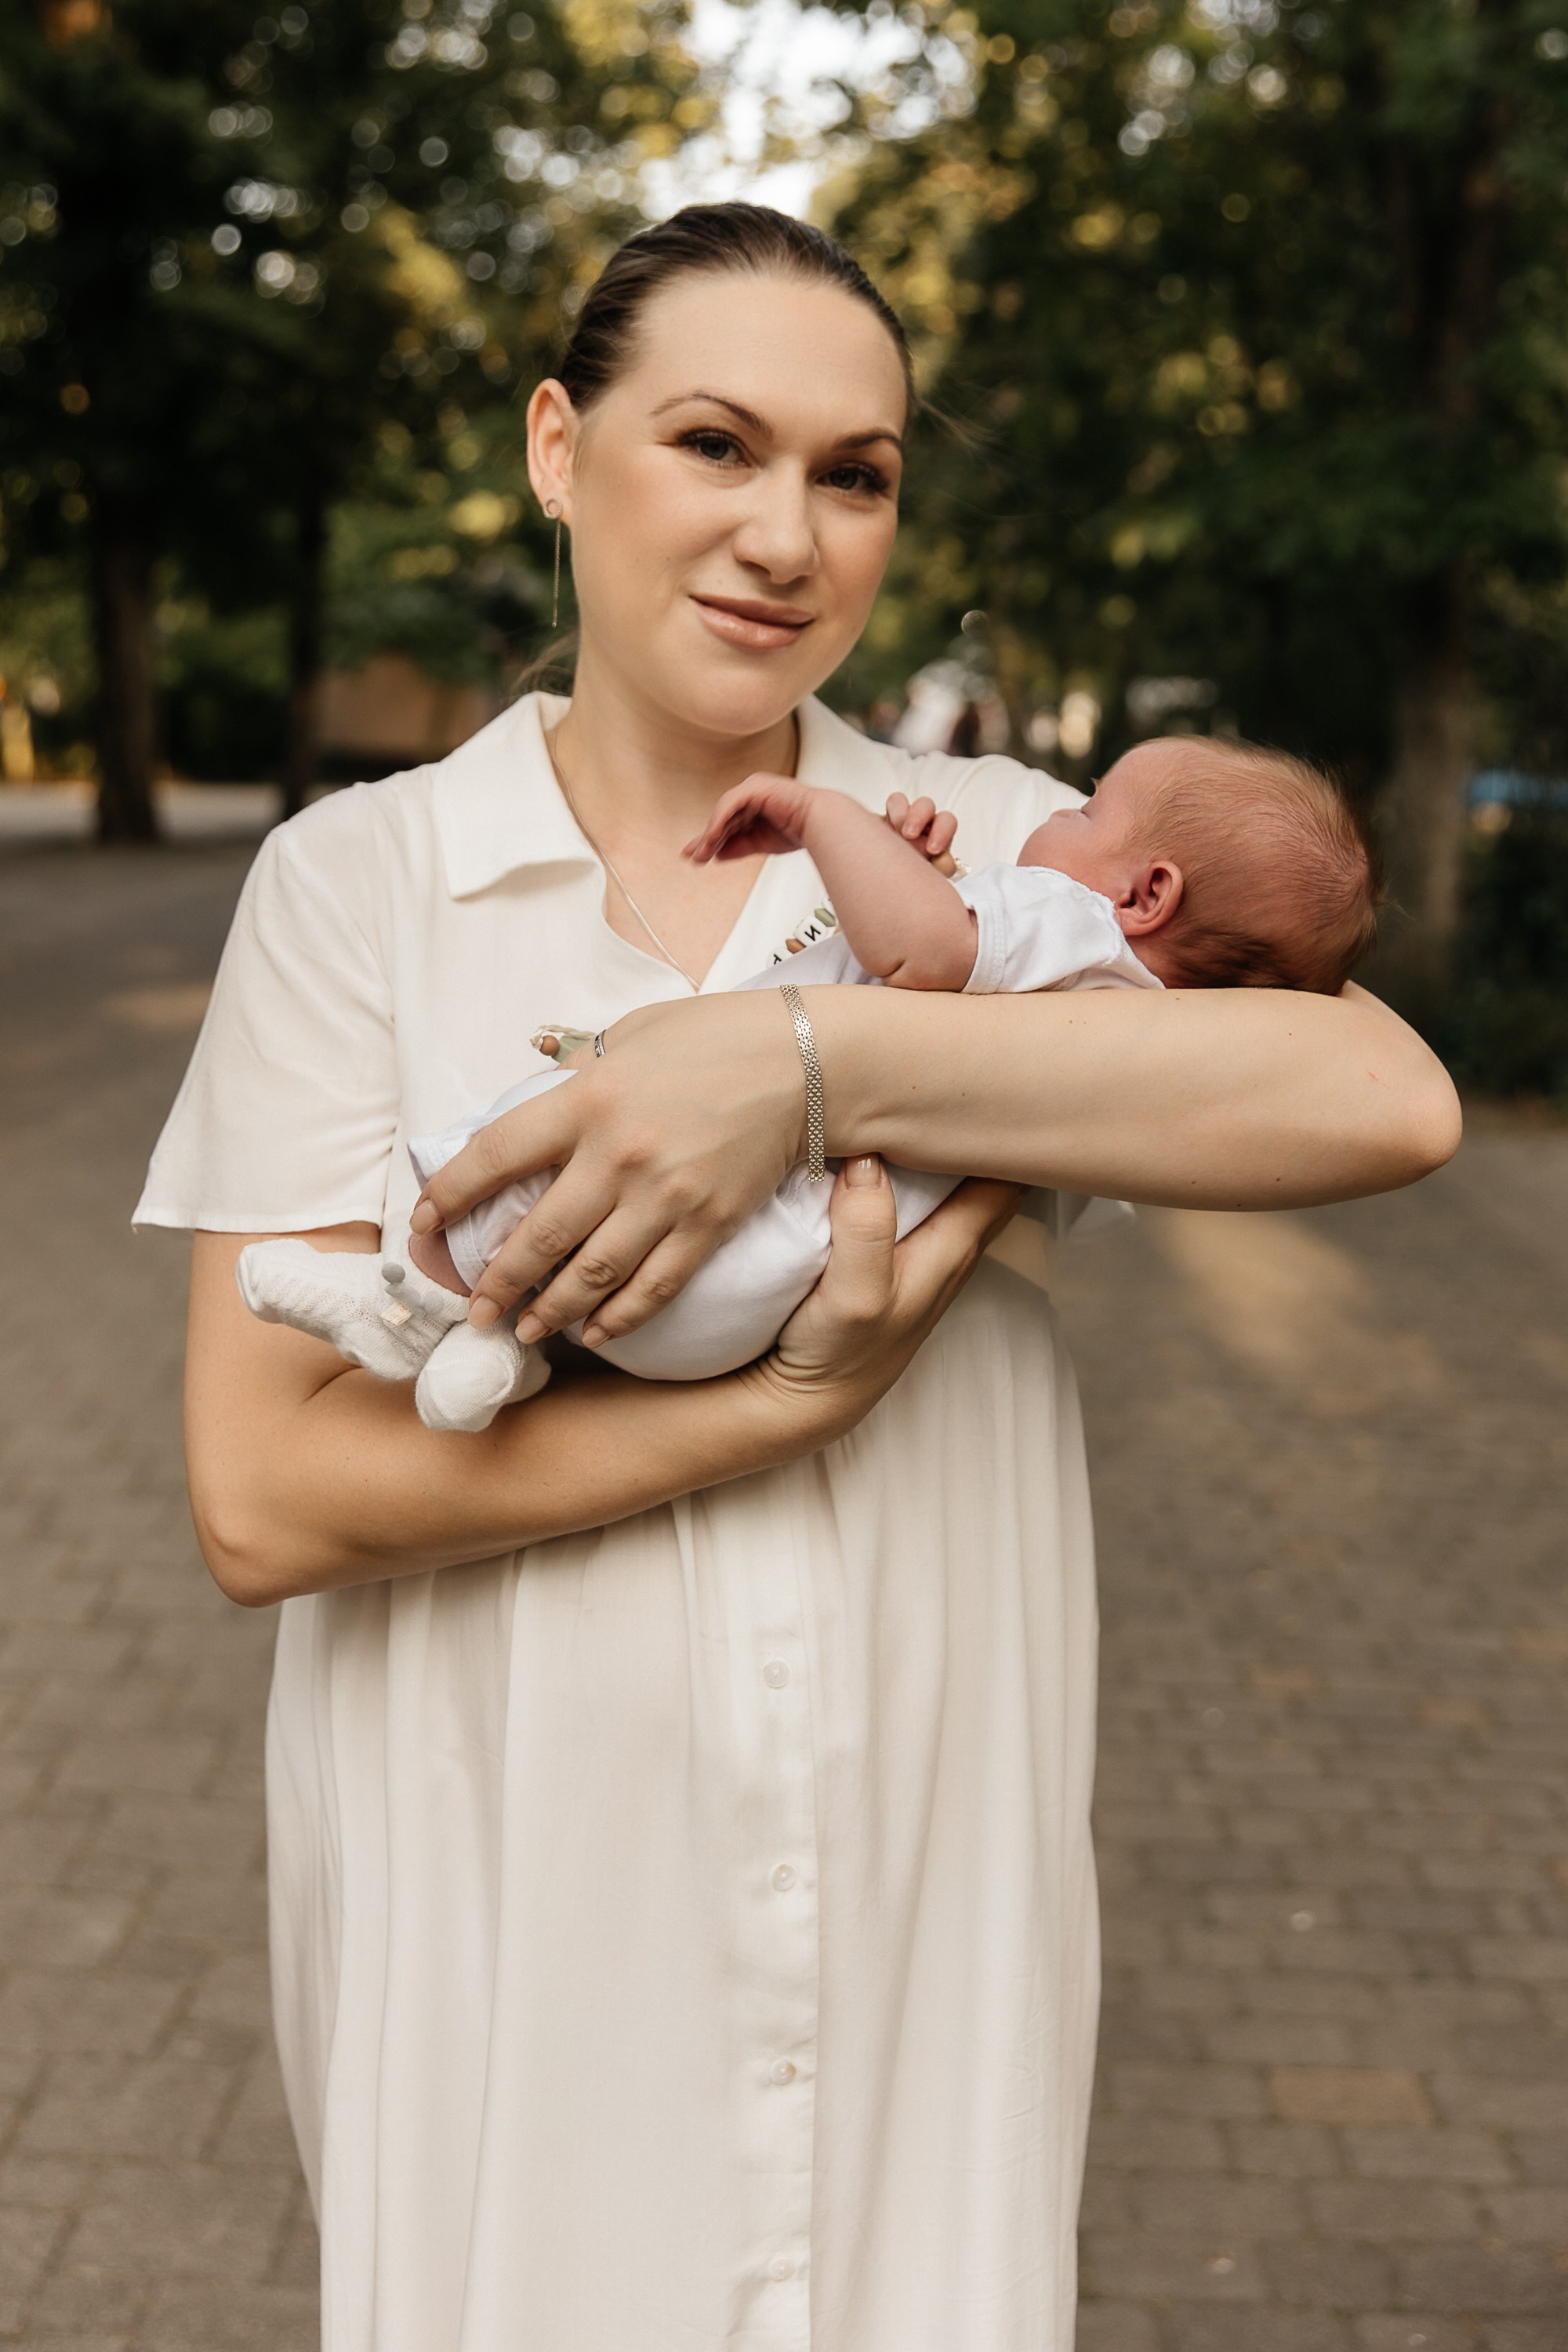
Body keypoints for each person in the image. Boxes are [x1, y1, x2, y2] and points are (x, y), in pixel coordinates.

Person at [136, 203, 1458, 2352]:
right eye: (717, 444)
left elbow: (1383, 1101)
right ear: (561, 450)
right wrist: (779, 1408)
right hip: (510, 1860)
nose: (788, 533)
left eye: (856, 473)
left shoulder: (1014, 838)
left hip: (916, 1847)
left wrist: (805, 1061)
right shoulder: (360, 879)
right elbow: (262, 1500)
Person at [234, 731, 1377, 1429]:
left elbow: (921, 954)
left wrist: (830, 821)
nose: (1059, 817)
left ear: (1146, 895)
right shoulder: (1142, 1022)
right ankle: (497, 1355)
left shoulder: (1065, 916)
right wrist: (927, 873)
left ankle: (412, 1301)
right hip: (752, 1298)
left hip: (715, 1250)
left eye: (1087, 812)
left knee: (545, 1130)